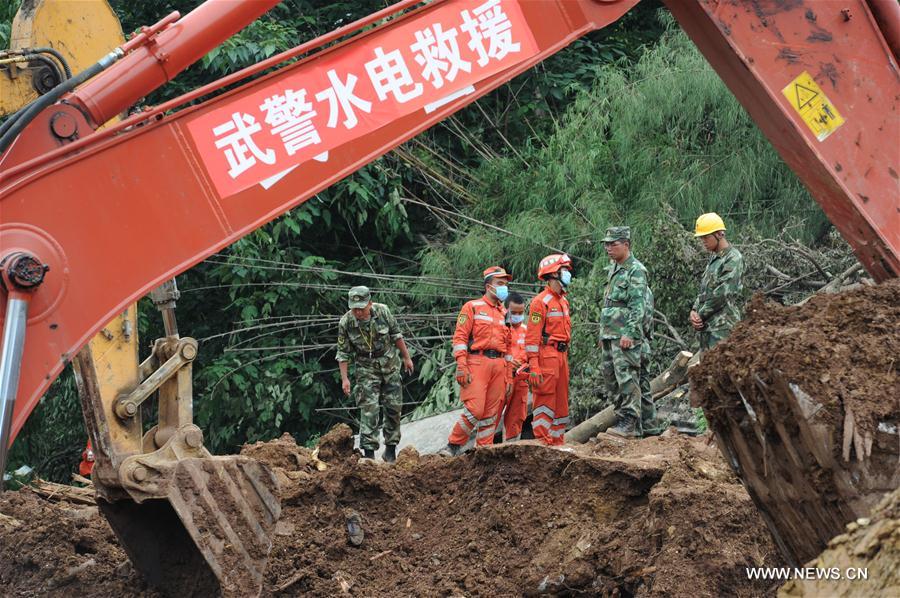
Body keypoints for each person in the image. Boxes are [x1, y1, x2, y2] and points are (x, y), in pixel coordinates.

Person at [336, 286, 413, 463]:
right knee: (369, 410)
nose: (358, 312)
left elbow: (396, 335)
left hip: (390, 364)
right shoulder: (346, 322)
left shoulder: (383, 312)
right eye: (354, 308)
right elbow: (342, 353)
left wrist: (407, 358)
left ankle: (390, 450)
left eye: (362, 308)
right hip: (365, 368)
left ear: (370, 303)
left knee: (393, 407)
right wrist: (345, 378)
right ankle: (369, 454)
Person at [441, 266, 513, 456]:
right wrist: (462, 365)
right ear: (489, 286)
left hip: (499, 365)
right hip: (477, 363)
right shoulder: (472, 307)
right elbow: (460, 338)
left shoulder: (505, 313)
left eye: (506, 284)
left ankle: (484, 453)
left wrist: (508, 376)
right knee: (475, 410)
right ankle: (453, 446)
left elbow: (509, 346)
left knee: (491, 414)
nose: (504, 287)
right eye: (500, 283)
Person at [599, 227, 650, 438]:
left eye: (613, 244)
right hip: (609, 333)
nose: (608, 248)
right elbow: (608, 304)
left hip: (624, 335)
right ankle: (622, 418)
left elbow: (638, 305)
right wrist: (601, 334)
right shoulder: (614, 268)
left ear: (626, 245)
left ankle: (629, 421)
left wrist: (629, 332)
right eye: (607, 244)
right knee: (611, 378)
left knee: (627, 378)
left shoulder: (636, 270)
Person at [524, 254, 573, 446]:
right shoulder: (540, 302)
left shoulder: (563, 301)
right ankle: (542, 442)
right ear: (554, 273)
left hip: (561, 355)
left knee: (561, 402)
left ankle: (557, 442)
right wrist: (533, 365)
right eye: (565, 270)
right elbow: (532, 337)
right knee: (545, 399)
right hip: (547, 355)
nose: (568, 273)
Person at [689, 213, 745, 351]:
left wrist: (700, 315)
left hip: (723, 329)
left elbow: (722, 294)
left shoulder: (733, 258)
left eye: (706, 237)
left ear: (720, 234)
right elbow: (704, 291)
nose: (703, 241)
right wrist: (694, 311)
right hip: (708, 330)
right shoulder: (715, 259)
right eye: (701, 238)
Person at [496, 292, 530, 442]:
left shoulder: (527, 331)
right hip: (501, 378)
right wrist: (508, 363)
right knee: (492, 415)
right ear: (506, 310)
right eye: (514, 312)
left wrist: (523, 364)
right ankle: (483, 449)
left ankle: (511, 449)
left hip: (521, 380)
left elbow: (533, 355)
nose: (517, 315)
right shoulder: (499, 328)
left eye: (521, 313)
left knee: (516, 417)